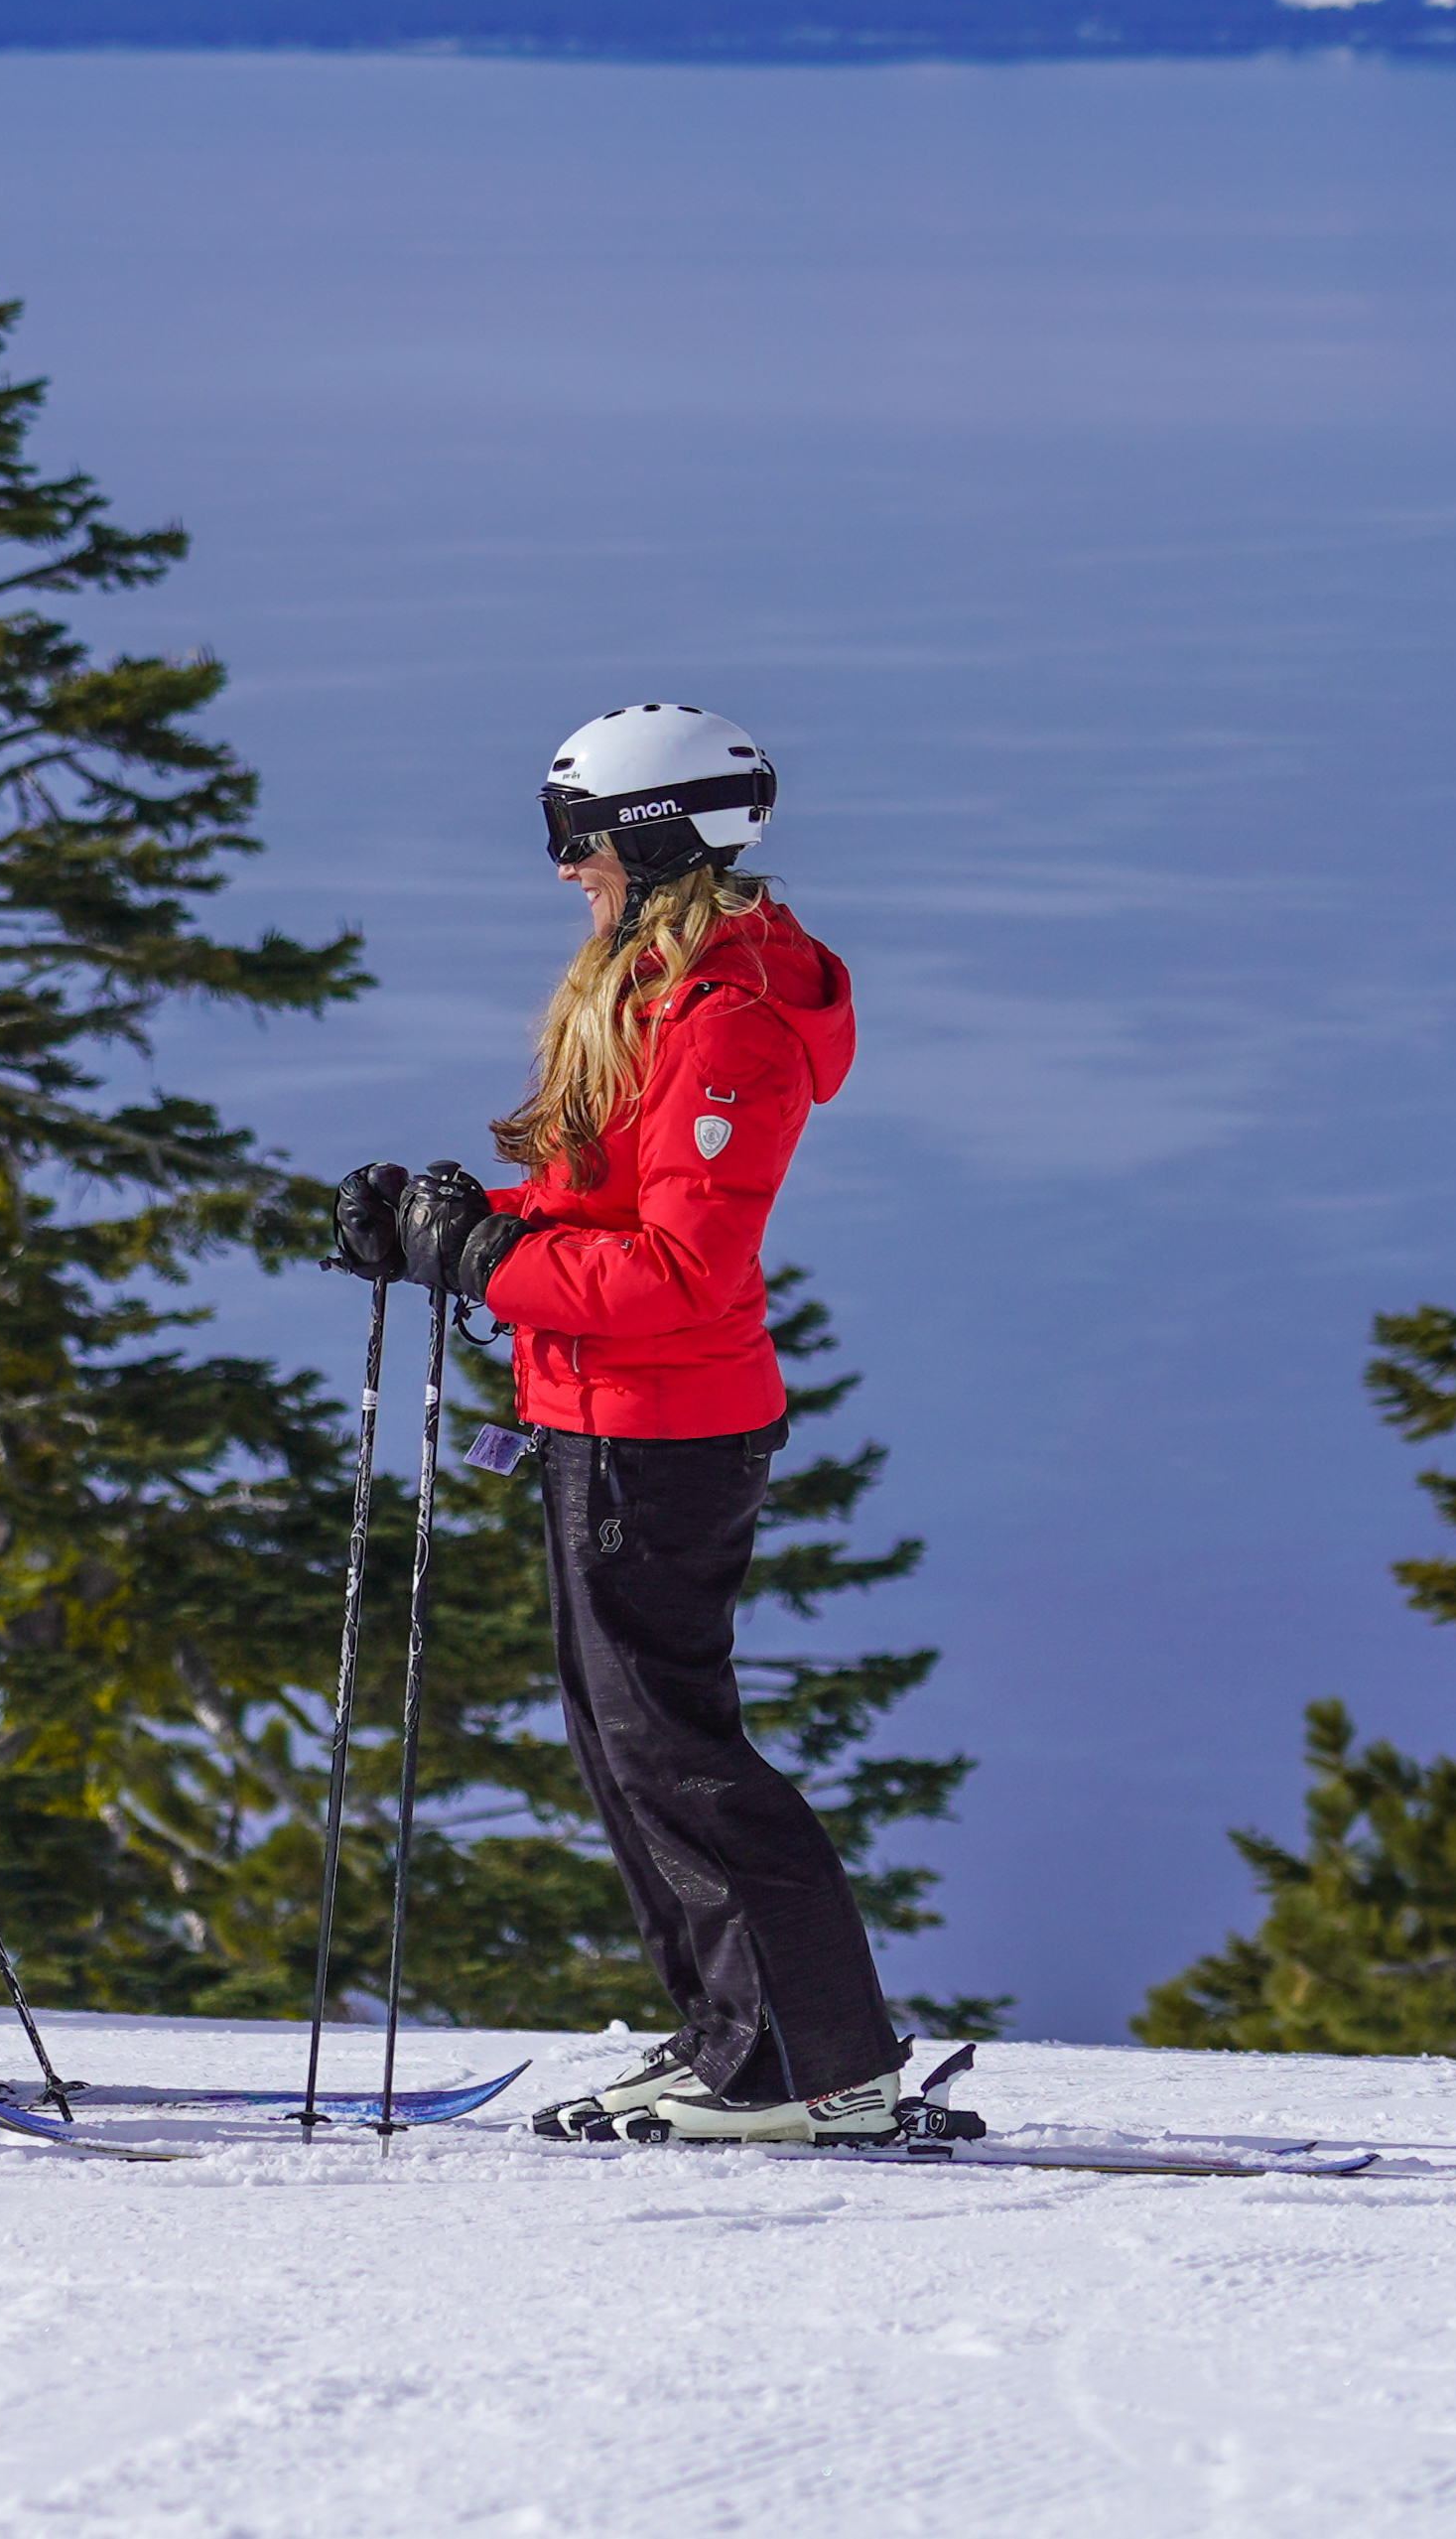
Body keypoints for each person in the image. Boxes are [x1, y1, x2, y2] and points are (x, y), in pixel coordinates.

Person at [333, 703, 908, 2146]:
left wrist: (475, 1265)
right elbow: (612, 1207)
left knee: (673, 1746)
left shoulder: (727, 1025)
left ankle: (805, 2063)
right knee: (625, 1742)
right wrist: (459, 1220)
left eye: (576, 841)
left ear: (653, 838)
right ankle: (738, 2032)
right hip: (604, 1417)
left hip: (662, 1428)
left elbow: (676, 1272)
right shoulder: (658, 991)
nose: (564, 870)